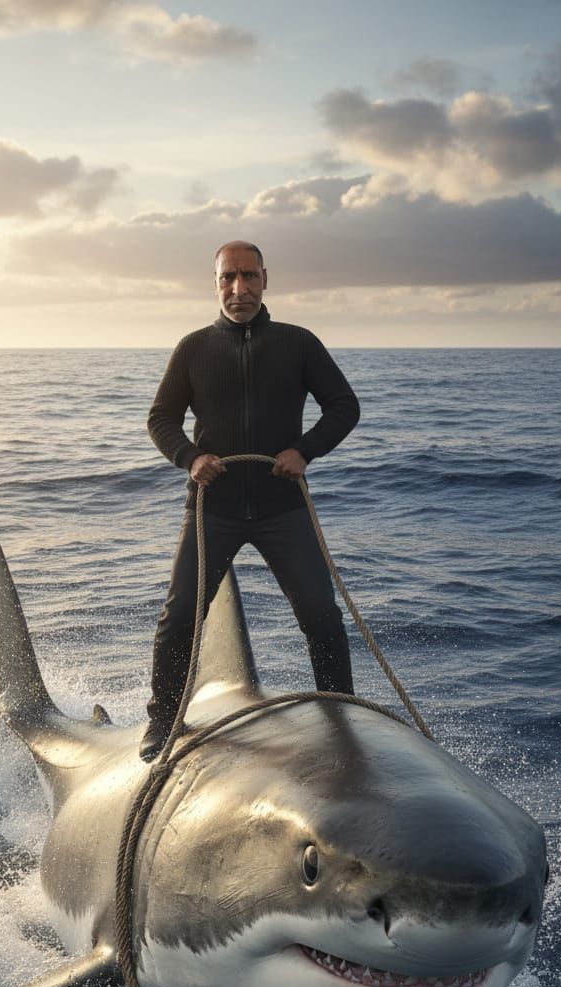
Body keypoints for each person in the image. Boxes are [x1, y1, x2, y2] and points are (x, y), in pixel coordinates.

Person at [140, 239, 361, 762]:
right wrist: (190, 458)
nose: (238, 289)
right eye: (227, 278)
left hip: (281, 506)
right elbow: (160, 419)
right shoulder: (193, 347)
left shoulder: (298, 342)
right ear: (215, 283)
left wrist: (304, 451)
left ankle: (343, 716)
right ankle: (164, 721)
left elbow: (343, 406)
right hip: (212, 508)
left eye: (248, 277)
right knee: (178, 619)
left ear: (266, 279)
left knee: (321, 615)